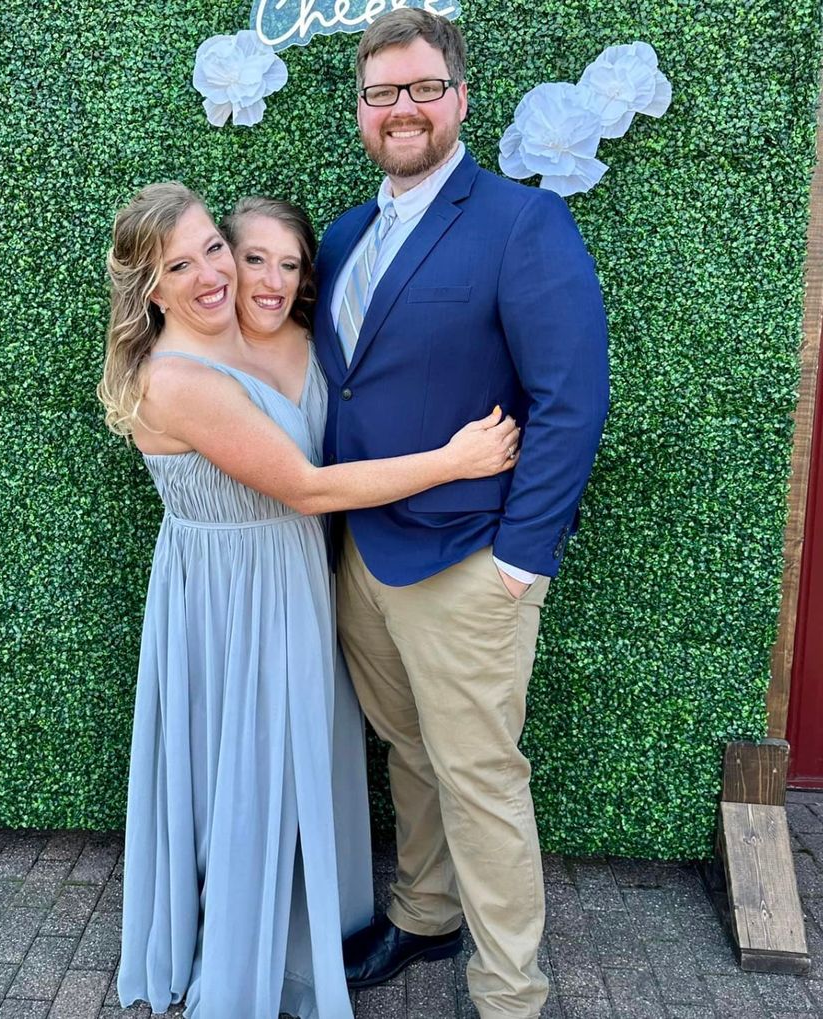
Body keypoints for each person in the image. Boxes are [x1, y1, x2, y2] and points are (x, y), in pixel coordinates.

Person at [99, 182, 521, 1019]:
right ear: (150, 290)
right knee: (249, 768)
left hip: (292, 579)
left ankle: (306, 927)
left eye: (212, 249)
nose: (212, 273)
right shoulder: (176, 378)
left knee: (295, 760)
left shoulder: (277, 337)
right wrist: (456, 461)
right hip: (232, 598)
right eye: (179, 266)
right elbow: (304, 486)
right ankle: (248, 955)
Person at [313, 10, 610, 1019]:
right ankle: (427, 910)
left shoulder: (523, 224)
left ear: (460, 98)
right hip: (364, 555)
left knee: (480, 775)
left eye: (422, 88)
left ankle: (510, 991)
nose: (402, 108)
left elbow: (571, 399)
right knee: (409, 751)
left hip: (469, 561)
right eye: (382, 92)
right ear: (361, 108)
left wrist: (521, 558)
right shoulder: (344, 235)